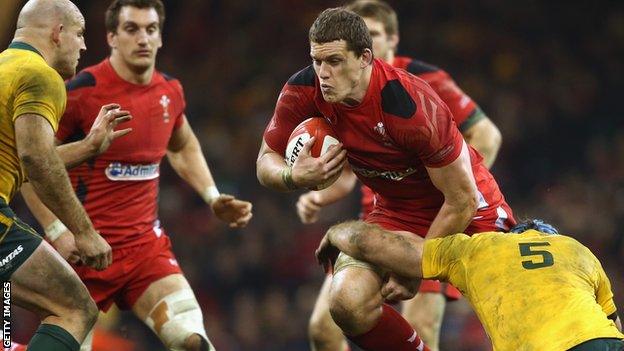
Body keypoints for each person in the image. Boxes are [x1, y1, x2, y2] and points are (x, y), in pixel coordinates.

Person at [257, 7, 514, 351]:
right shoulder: (303, 91)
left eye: (334, 61)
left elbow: (462, 199)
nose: (323, 74)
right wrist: (293, 175)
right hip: (395, 210)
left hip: (466, 211)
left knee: (514, 313)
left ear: (365, 57)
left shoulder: (409, 104)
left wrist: (415, 268)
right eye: (317, 61)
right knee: (345, 303)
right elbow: (265, 161)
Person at [21, 1, 253, 351]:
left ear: (160, 38)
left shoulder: (169, 91)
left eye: (151, 29)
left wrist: (211, 195)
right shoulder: (80, 92)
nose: (143, 38)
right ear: (112, 36)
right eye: (132, 29)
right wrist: (58, 231)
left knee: (194, 342)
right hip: (85, 255)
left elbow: (182, 143)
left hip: (145, 251)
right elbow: (30, 165)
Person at [0, 0, 133, 350]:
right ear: (58, 33)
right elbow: (36, 159)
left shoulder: (5, 68)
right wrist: (83, 232)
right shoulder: (40, 75)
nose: (85, 45)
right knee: (74, 308)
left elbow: (20, 157)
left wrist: (89, 147)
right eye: (80, 34)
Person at [316, 219, 624, 351]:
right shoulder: (576, 248)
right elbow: (614, 322)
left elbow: (374, 242)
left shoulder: (479, 249)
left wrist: (336, 232)